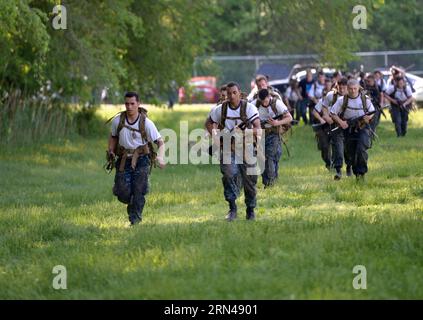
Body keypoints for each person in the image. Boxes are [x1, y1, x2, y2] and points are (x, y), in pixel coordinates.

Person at [108, 92, 166, 226]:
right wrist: (111, 150)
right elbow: (113, 136)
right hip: (123, 159)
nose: (129, 107)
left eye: (132, 104)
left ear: (138, 104)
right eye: (127, 104)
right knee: (122, 192)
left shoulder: (146, 123)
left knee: (138, 190)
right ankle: (131, 197)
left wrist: (161, 157)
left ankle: (135, 221)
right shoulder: (118, 121)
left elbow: (160, 142)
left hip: (142, 159)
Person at [208, 82, 261, 221]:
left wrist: (244, 132)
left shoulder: (249, 108)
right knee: (228, 174)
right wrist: (215, 138)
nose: (231, 96)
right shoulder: (220, 109)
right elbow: (209, 122)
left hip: (246, 147)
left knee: (250, 180)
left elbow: (258, 129)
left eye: (234, 93)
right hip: (228, 147)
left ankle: (250, 210)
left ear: (239, 93)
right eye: (229, 93)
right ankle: (232, 208)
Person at [330, 79, 375, 181]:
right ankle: (357, 174)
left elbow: (372, 111)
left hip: (363, 128)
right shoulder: (342, 100)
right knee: (351, 154)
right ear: (347, 88)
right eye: (350, 89)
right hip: (348, 130)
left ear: (358, 88)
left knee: (361, 149)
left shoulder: (365, 99)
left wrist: (368, 117)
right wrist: (341, 122)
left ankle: (362, 173)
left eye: (355, 88)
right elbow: (332, 113)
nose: (353, 91)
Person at [252, 88, 292, 188]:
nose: (264, 104)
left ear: (269, 97)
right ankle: (268, 180)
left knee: (269, 156)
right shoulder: (254, 104)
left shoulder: (276, 103)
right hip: (260, 134)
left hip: (274, 133)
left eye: (265, 101)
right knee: (262, 158)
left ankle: (270, 183)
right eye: (262, 102)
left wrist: (277, 123)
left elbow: (289, 117)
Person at [323, 77, 349, 178]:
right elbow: (324, 107)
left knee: (348, 148)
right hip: (335, 125)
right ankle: (338, 170)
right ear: (336, 86)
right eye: (340, 87)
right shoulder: (331, 96)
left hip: (349, 126)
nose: (342, 90)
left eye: (344, 87)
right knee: (338, 148)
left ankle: (349, 166)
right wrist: (326, 116)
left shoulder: (352, 95)